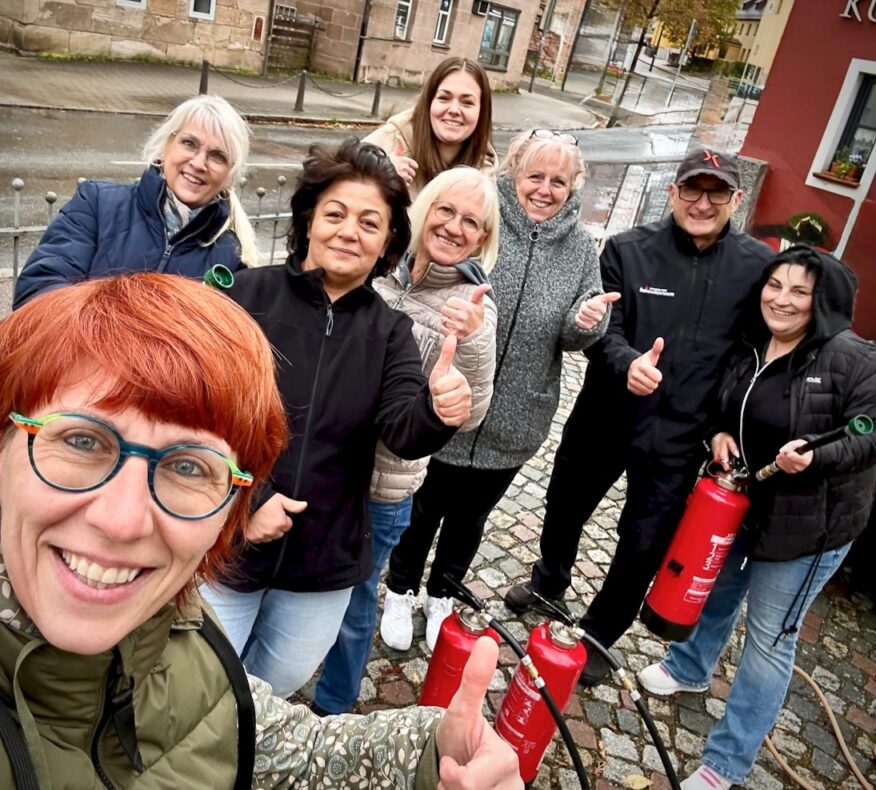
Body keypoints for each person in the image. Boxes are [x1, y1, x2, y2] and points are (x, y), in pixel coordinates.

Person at [0, 273, 523, 789]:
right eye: (81, 441)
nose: (122, 519)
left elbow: (275, 746)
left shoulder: (184, 635)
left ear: (232, 503)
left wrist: (428, 756)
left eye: (189, 466)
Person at [201, 139, 475, 697]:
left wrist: (439, 408)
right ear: (308, 221)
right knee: (201, 683)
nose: (350, 231)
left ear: (388, 243)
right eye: (336, 214)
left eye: (370, 223)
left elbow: (403, 429)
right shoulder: (244, 299)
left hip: (322, 562)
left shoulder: (390, 331)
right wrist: (244, 507)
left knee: (274, 690)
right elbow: (196, 417)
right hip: (227, 542)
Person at [636, 246, 876, 790]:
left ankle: (726, 763)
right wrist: (719, 432)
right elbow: (724, 404)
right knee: (715, 594)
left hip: (809, 527)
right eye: (775, 285)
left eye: (799, 291)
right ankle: (691, 668)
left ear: (822, 300)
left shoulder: (850, 357)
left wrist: (819, 456)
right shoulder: (750, 345)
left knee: (768, 638)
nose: (781, 300)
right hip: (741, 504)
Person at [503, 148, 777, 686]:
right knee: (563, 507)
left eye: (716, 192)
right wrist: (626, 363)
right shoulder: (627, 250)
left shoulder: (757, 268)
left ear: (736, 200)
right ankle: (549, 579)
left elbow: (752, 351)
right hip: (608, 414)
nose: (702, 202)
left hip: (683, 434)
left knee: (644, 540)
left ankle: (599, 634)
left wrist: (724, 418)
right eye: (691, 190)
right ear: (672, 193)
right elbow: (603, 326)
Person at [382, 129, 617, 653]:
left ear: (572, 187)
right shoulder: (484, 227)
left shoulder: (581, 248)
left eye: (559, 181)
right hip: (448, 401)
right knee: (422, 509)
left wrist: (585, 321)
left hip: (517, 416)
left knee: (469, 518)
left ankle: (443, 592)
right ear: (514, 173)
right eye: (536, 175)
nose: (545, 189)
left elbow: (578, 333)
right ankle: (400, 587)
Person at [314, 167, 500, 714]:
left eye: (472, 222)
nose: (454, 226)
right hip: (324, 464)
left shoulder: (473, 307)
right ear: (423, 211)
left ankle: (332, 708)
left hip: (381, 486)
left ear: (483, 239)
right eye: (446, 210)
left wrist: (467, 341)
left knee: (353, 607)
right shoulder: (378, 269)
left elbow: (470, 414)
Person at [14, 94, 256, 309]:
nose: (198, 163)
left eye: (217, 156)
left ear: (229, 176)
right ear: (166, 147)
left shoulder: (230, 257)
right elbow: (37, 290)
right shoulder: (98, 204)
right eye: (189, 143)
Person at [364, 57, 496, 196]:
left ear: (482, 112)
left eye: (467, 102)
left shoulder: (487, 172)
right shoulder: (391, 142)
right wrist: (381, 176)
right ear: (429, 102)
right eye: (444, 98)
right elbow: (341, 180)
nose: (454, 110)